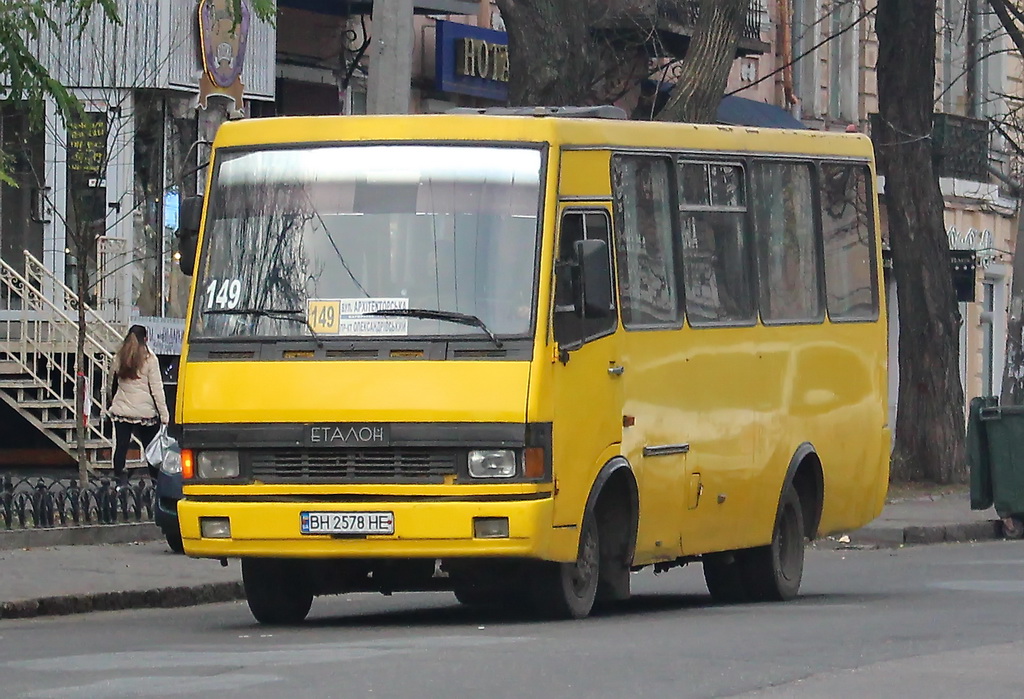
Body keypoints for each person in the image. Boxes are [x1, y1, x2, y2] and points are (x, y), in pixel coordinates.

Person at [108, 324, 170, 484]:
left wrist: (112, 402)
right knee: (151, 449)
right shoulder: (150, 359)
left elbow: (112, 384)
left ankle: (118, 481)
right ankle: (155, 483)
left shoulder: (119, 357)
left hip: (121, 410)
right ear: (146, 339)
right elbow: (157, 389)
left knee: (121, 446)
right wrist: (164, 415)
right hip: (145, 413)